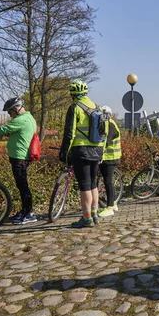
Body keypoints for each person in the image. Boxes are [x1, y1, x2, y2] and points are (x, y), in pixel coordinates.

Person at [59, 79, 106, 228]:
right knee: (93, 184)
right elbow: (103, 133)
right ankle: (94, 214)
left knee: (84, 185)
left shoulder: (75, 108)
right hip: (97, 150)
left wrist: (64, 152)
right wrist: (102, 153)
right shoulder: (97, 107)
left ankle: (86, 218)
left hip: (81, 151)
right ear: (86, 93)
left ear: (72, 94)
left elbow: (69, 133)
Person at [0, 97, 37, 225]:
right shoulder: (29, 118)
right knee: (22, 185)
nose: (10, 115)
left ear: (15, 109)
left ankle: (29, 213)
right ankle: (25, 211)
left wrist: (1, 133)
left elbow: (1, 130)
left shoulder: (21, 119)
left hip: (20, 157)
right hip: (21, 156)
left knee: (23, 186)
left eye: (10, 112)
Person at [98, 105, 122, 217]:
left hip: (110, 157)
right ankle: (113, 203)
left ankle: (110, 207)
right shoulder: (104, 124)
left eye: (105, 114)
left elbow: (106, 141)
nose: (103, 116)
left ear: (109, 115)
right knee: (104, 180)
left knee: (108, 181)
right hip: (106, 157)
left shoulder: (111, 125)